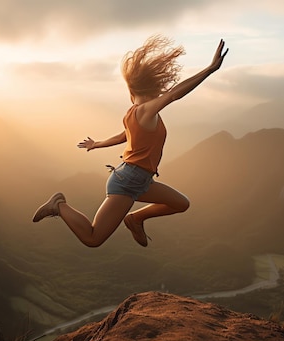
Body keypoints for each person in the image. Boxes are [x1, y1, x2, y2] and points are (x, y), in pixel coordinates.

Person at [32, 36, 228, 247]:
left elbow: (124, 136)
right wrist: (209, 70)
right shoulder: (145, 111)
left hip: (140, 180)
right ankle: (58, 206)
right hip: (128, 181)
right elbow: (173, 95)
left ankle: (135, 219)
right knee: (93, 238)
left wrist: (97, 144)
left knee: (181, 203)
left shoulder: (134, 113)